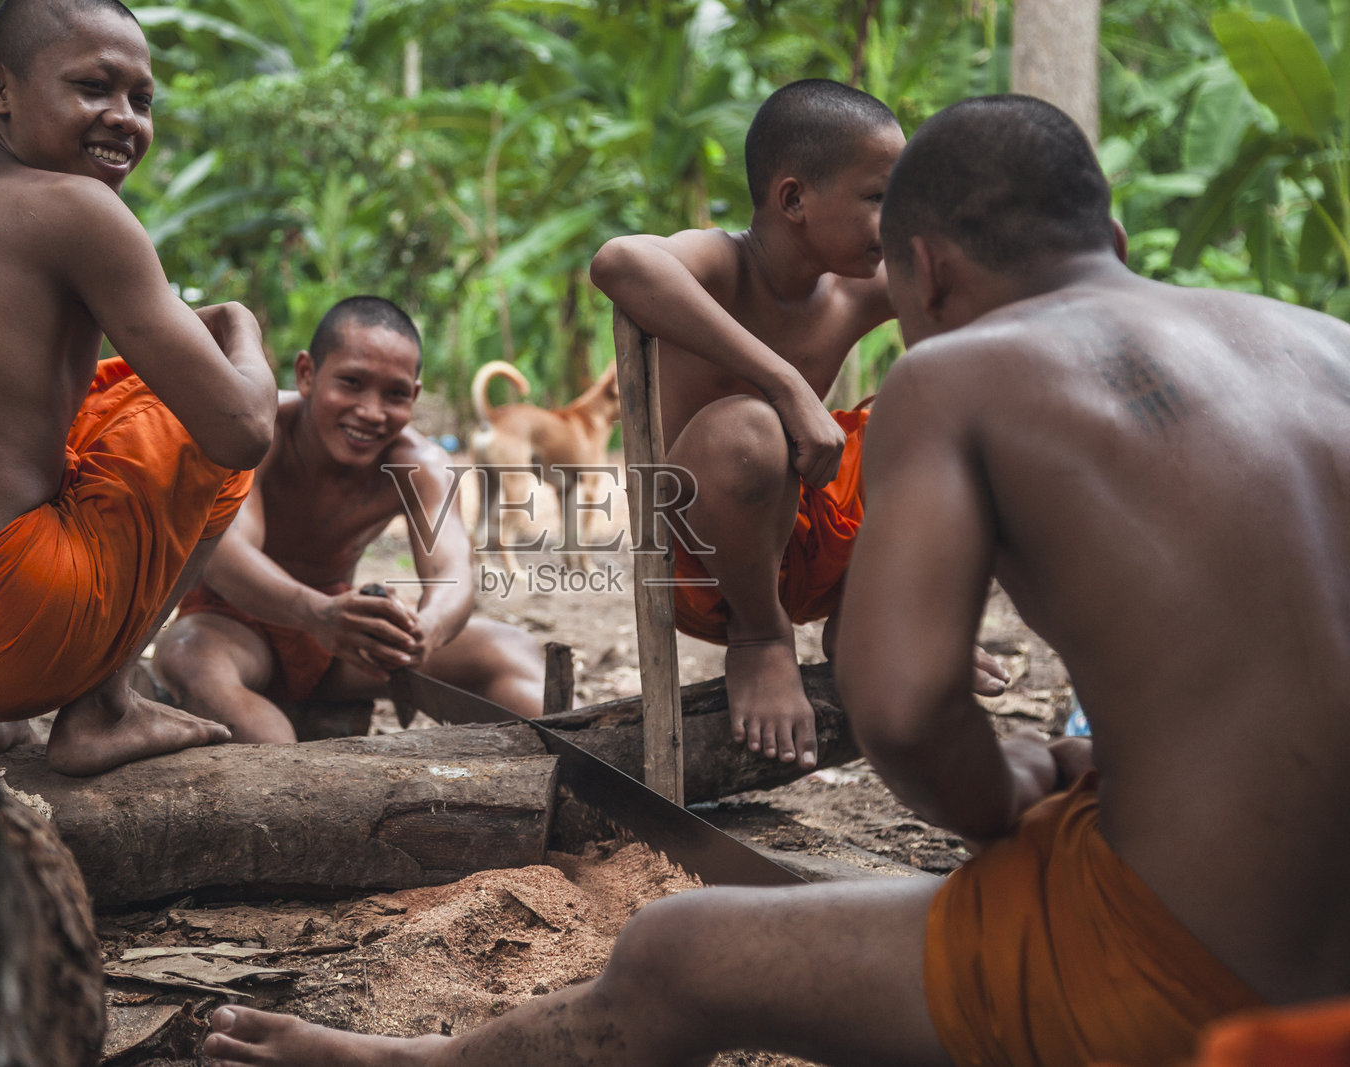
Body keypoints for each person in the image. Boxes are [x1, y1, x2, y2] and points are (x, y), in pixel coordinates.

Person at [198, 95, 1350, 1067]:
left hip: (1209, 969)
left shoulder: (953, 373)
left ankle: (418, 1058)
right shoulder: (1322, 343)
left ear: (926, 270)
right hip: (1313, 918)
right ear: (1109, 226)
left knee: (674, 948)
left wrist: (1005, 797)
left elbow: (899, 710)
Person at [0, 0, 278, 775]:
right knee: (209, 423)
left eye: (141, 100)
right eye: (94, 87)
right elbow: (242, 428)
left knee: (111, 400)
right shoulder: (80, 208)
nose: (124, 119)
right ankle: (105, 707)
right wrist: (241, 326)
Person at [590, 78, 1007, 770]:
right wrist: (783, 382)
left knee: (959, 409)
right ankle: (763, 641)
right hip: (705, 563)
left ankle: (873, 615)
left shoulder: (863, 285)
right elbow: (618, 262)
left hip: (812, 536)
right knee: (753, 430)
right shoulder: (721, 263)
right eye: (880, 199)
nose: (895, 221)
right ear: (793, 200)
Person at [153, 296, 545, 741]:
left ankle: (566, 783)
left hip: (339, 638)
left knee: (513, 651)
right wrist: (316, 612)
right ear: (307, 375)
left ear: (414, 397)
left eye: (395, 394)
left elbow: (452, 573)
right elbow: (226, 556)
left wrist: (425, 631)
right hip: (230, 626)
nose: (372, 412)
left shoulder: (420, 464)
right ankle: (292, 787)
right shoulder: (258, 432)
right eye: (352, 383)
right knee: (193, 662)